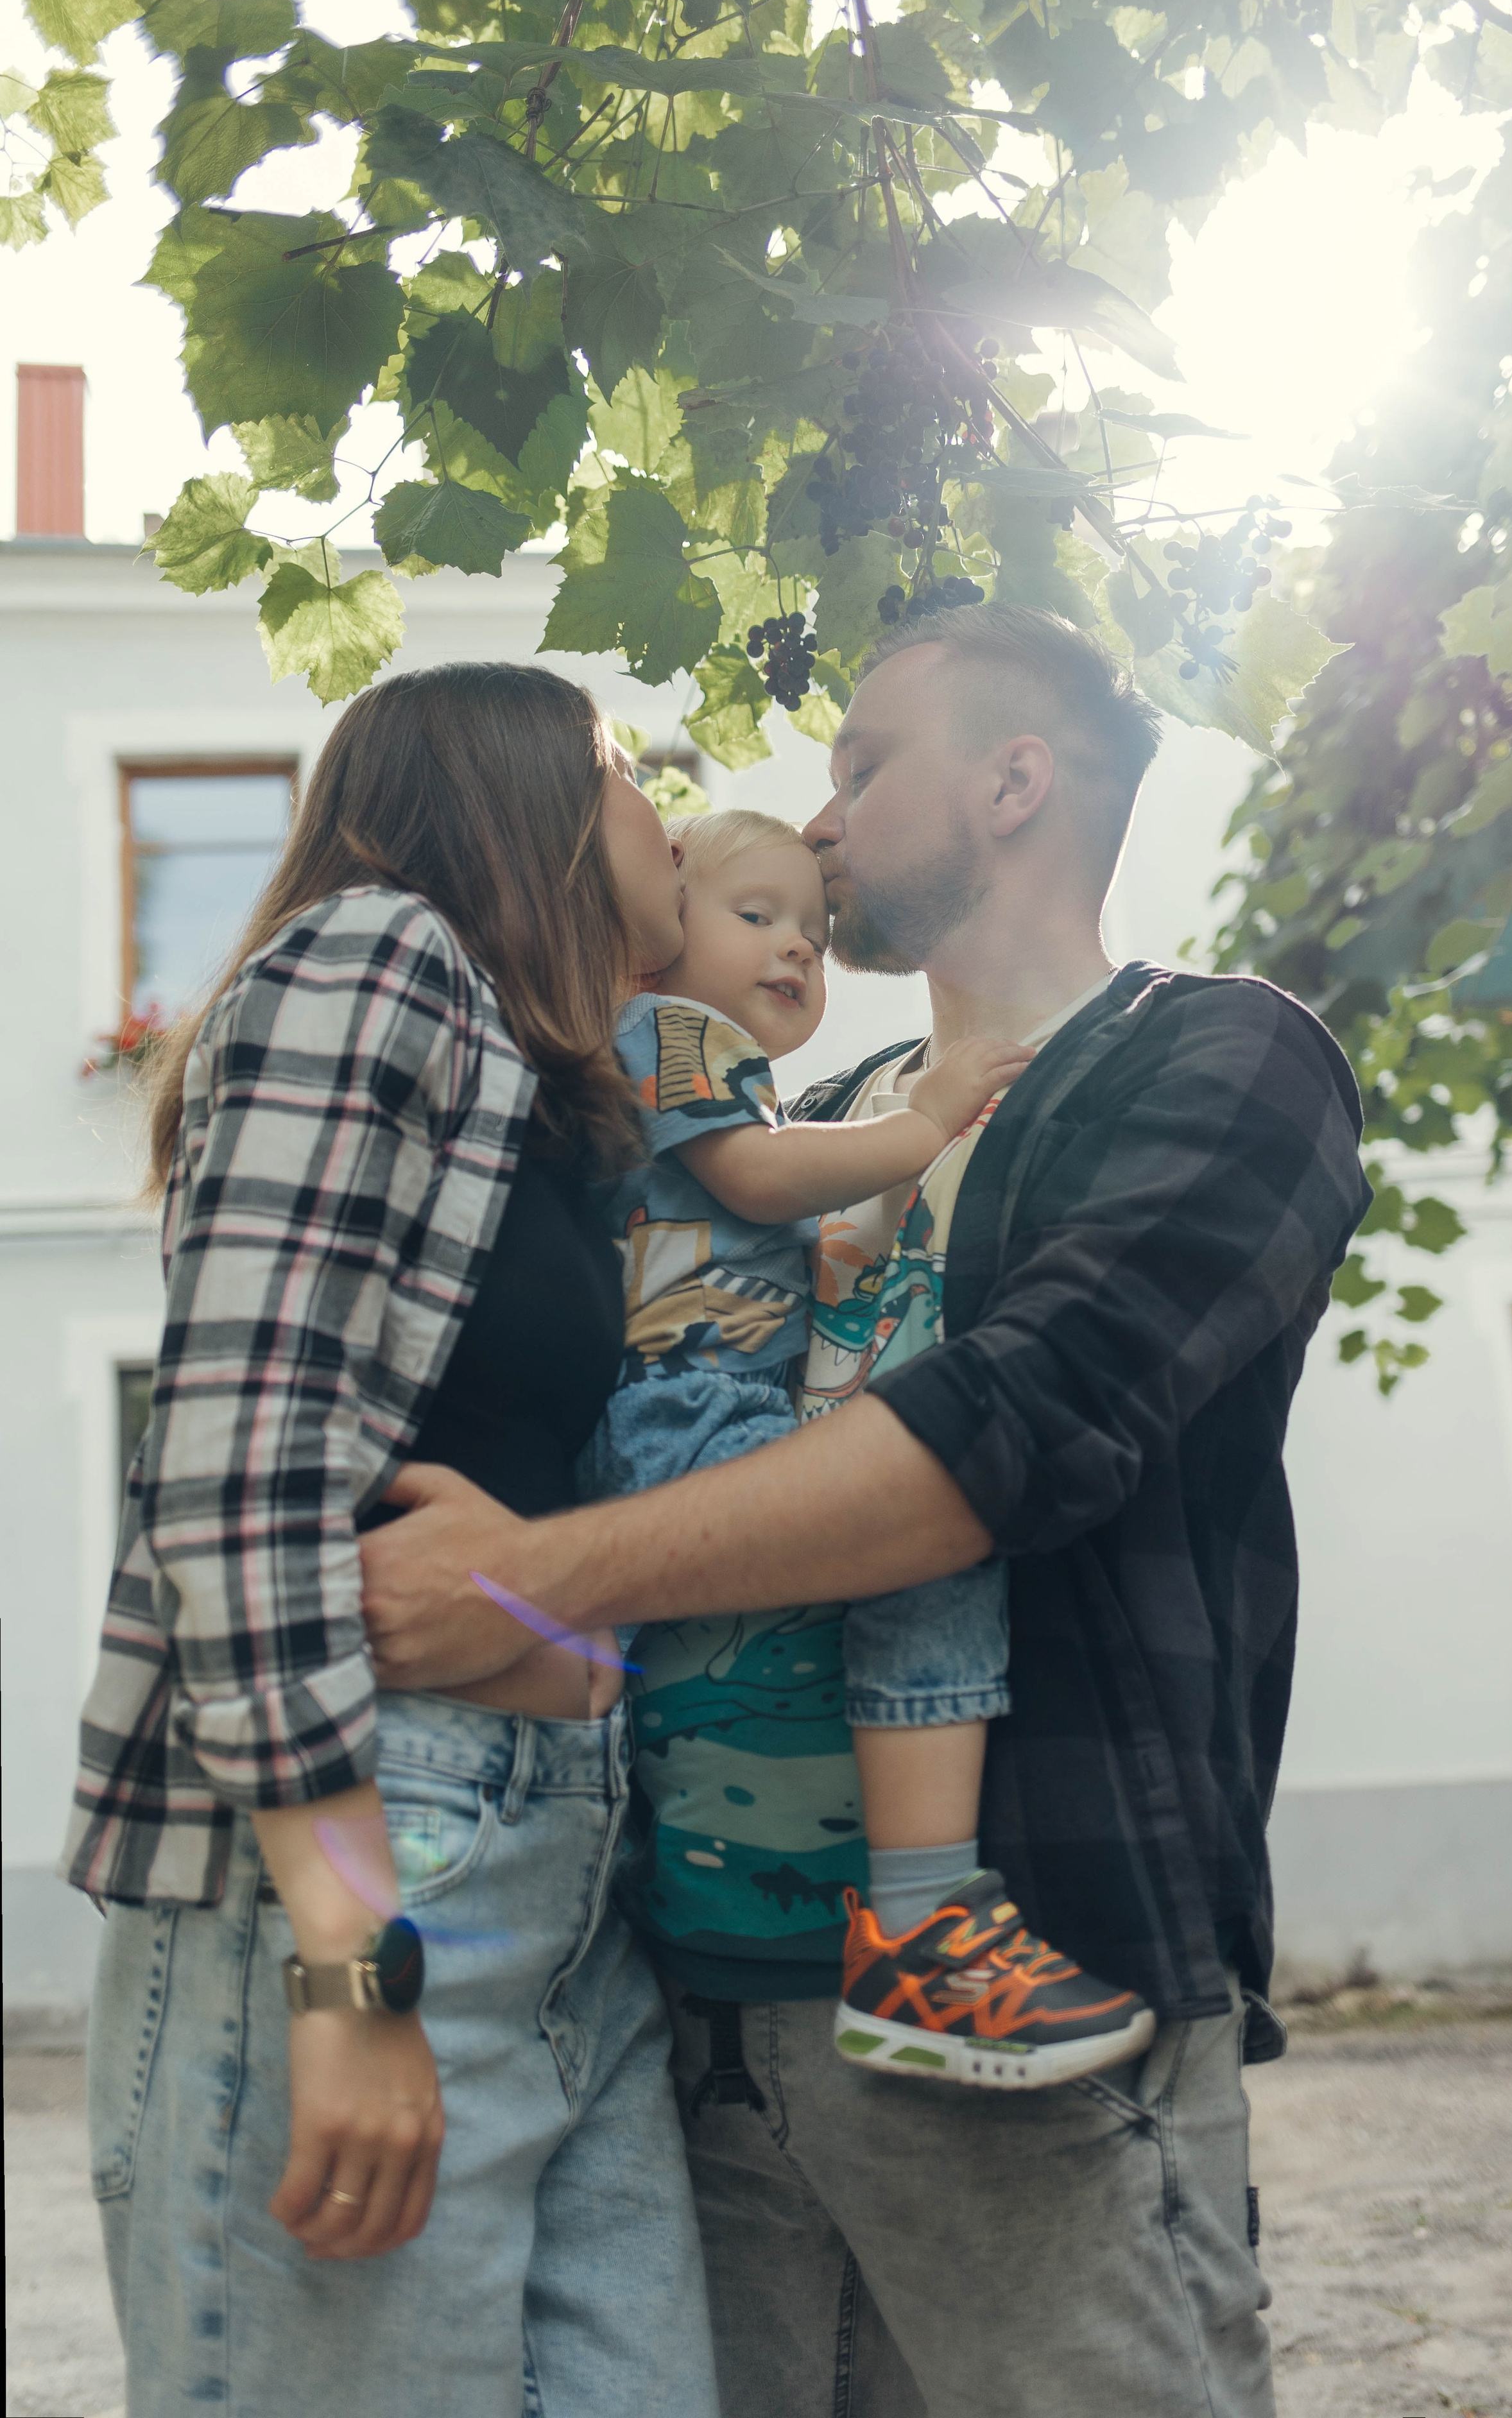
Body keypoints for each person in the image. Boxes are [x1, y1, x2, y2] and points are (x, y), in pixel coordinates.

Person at [359, 605, 1375, 2418]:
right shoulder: (779, 1123)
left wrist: (523, 1584)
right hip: (698, 2006)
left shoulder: (1216, 1063)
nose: (811, 828)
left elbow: (999, 1436)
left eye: (862, 768)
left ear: (1013, 782)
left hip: (1036, 1999)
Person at [60, 663, 719, 2418]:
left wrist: (572, 1655)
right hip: (360, 1873)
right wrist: (354, 1974)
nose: (676, 813)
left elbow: (498, 1500)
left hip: (553, 1875)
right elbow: (232, 1465)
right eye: (632, 772)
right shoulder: (378, 955)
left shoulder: (557, 1102)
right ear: (534, 802)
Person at [583, 803, 1153, 2086]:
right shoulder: (672, 1034)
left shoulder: (707, 1057)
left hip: (688, 1414)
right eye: (755, 915)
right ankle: (919, 1919)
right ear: (659, 929)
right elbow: (755, 1180)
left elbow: (766, 1217)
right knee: (929, 1514)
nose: (797, 949)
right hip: (687, 1421)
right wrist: (930, 1116)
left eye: (814, 931)